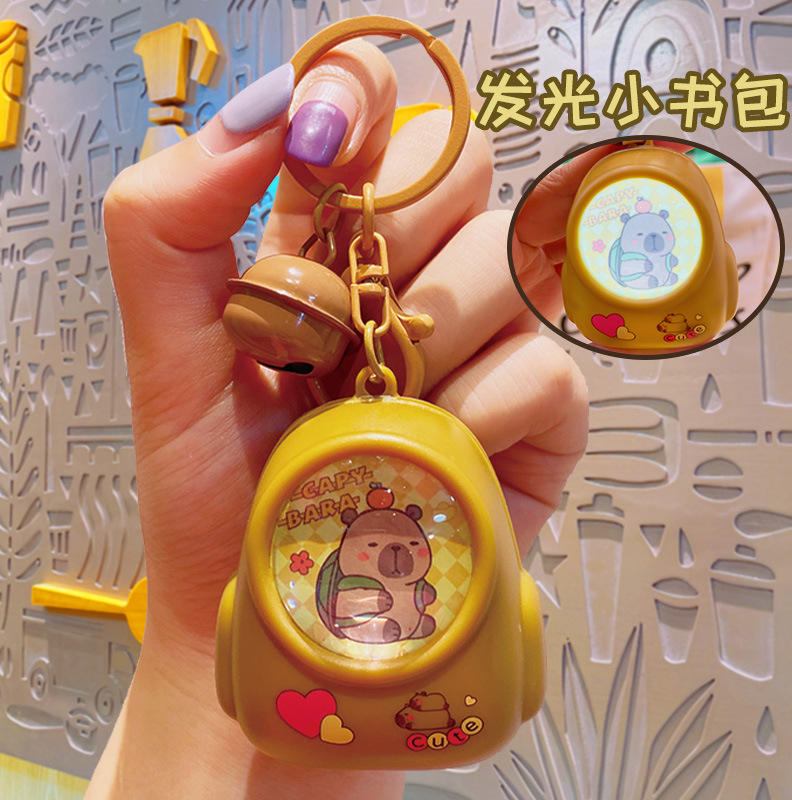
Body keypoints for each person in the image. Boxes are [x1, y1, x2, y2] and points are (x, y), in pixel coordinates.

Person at [86, 39, 589, 799]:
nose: (392, 562)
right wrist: (201, 650)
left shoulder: (402, 588)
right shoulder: (325, 587)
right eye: (377, 547)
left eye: (396, 547)